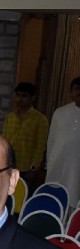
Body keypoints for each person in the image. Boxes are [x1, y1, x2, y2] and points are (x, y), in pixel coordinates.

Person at [2, 82, 48, 192]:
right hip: (9, 166)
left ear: (32, 98)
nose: (20, 99)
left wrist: (33, 168)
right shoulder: (10, 117)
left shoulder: (40, 120)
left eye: (24, 96)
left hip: (27, 169)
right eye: (18, 95)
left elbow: (40, 146)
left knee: (24, 196)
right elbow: (4, 141)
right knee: (7, 195)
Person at [46, 76, 80, 206]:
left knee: (74, 200)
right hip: (57, 164)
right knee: (54, 200)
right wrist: (49, 163)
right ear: (71, 92)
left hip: (77, 168)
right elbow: (51, 141)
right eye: (77, 89)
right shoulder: (60, 112)